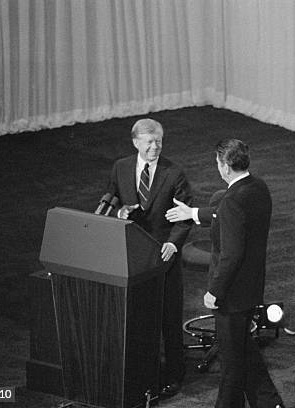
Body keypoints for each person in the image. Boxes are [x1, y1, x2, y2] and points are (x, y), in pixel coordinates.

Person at [165, 139, 285, 408]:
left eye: (218, 163)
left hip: (230, 295)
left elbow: (231, 254)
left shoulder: (231, 201)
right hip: (251, 287)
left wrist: (214, 292)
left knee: (231, 365)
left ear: (226, 167)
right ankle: (270, 403)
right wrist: (194, 213)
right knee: (244, 351)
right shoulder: (257, 187)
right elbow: (227, 213)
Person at [107, 118, 192, 398]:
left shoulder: (174, 172)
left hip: (164, 257)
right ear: (136, 142)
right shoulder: (120, 167)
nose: (155, 147)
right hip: (132, 255)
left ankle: (175, 375)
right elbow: (113, 199)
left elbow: (185, 216)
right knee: (140, 318)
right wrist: (120, 214)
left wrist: (173, 244)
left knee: (169, 318)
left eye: (159, 141)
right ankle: (145, 374)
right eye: (149, 142)